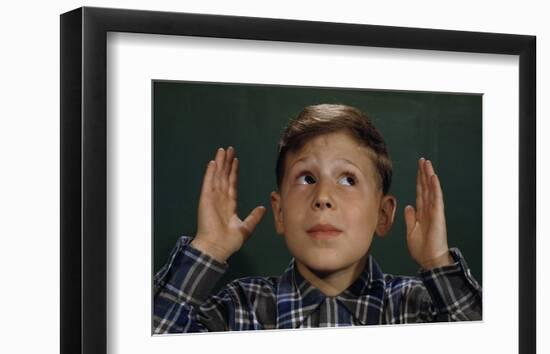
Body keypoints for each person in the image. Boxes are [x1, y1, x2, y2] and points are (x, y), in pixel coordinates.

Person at [153, 104, 482, 333]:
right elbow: (141, 353)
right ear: (279, 213)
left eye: (348, 179)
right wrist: (208, 247)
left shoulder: (422, 310)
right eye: (307, 178)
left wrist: (438, 262)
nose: (323, 197)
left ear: (383, 215)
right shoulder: (237, 309)